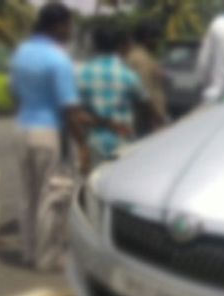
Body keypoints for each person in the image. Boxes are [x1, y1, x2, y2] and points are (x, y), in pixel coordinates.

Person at [11, 3, 93, 271]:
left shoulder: (22, 52)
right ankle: (47, 257)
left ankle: (29, 251)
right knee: (52, 197)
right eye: (69, 26)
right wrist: (82, 145)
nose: (71, 31)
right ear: (58, 26)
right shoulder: (58, 59)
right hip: (49, 131)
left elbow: (15, 94)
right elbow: (69, 109)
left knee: (28, 194)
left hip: (23, 127)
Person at [78, 26, 151, 165]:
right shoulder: (128, 74)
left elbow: (76, 113)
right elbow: (145, 104)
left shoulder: (82, 73)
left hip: (94, 143)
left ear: (95, 46)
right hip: (124, 141)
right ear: (117, 46)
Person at [127, 21, 168, 135]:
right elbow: (145, 93)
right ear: (148, 38)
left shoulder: (141, 56)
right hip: (149, 122)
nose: (159, 42)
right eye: (157, 38)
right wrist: (155, 117)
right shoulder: (141, 59)